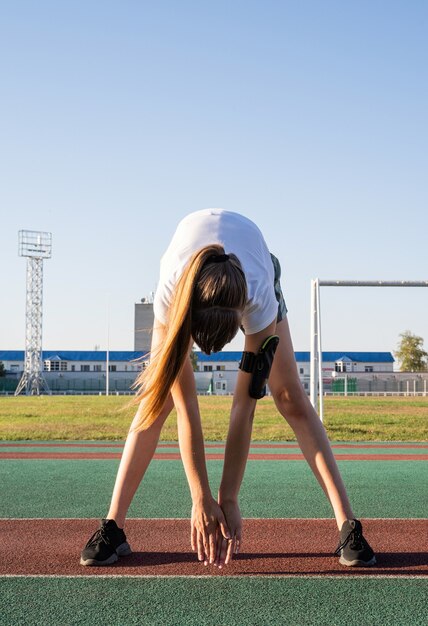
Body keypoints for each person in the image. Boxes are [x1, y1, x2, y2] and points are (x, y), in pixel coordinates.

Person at [80, 208, 376, 568]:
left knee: (290, 397)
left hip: (255, 266)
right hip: (188, 284)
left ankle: (348, 525)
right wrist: (200, 497)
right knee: (157, 402)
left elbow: (244, 405)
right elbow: (187, 408)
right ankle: (112, 526)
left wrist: (229, 497)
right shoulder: (173, 295)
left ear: (241, 317)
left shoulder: (258, 298)